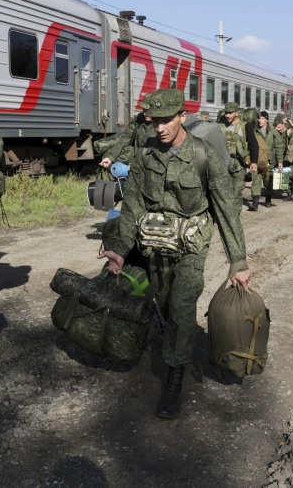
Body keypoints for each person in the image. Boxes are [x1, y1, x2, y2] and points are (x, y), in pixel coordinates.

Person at [98, 88, 251, 419]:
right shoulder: (144, 157)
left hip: (191, 246)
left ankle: (174, 380)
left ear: (183, 116)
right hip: (156, 243)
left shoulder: (204, 156)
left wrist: (238, 262)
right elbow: (133, 205)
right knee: (165, 303)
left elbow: (226, 210)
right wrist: (121, 250)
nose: (161, 128)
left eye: (167, 120)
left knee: (181, 305)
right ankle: (176, 342)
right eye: (155, 122)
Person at [220, 101, 258, 213]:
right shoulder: (220, 125)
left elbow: (253, 145)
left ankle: (234, 216)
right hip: (223, 164)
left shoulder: (245, 126)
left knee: (236, 191)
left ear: (236, 113)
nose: (227, 115)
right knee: (225, 192)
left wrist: (254, 162)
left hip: (239, 164)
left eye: (230, 113)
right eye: (226, 113)